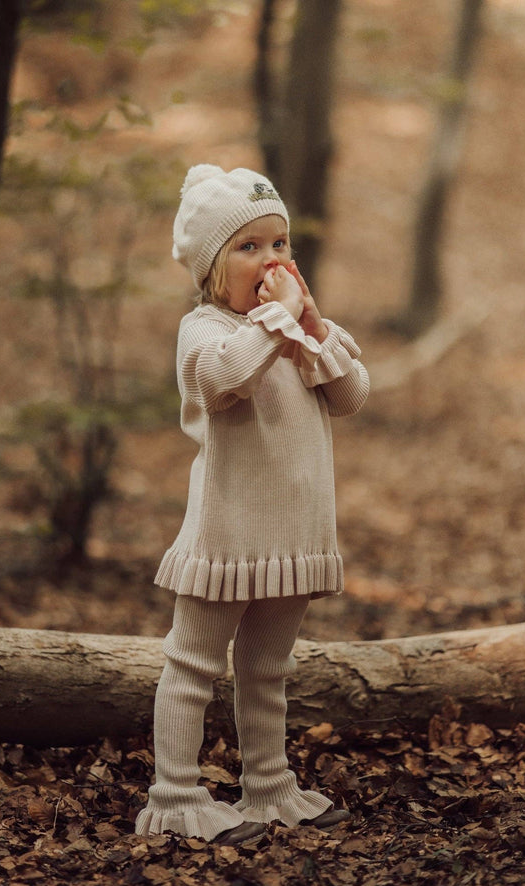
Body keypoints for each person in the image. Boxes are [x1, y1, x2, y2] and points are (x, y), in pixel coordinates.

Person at [134, 164, 370, 846]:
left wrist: (315, 328)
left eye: (280, 245)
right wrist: (281, 319)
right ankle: (174, 796)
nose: (271, 262)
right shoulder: (206, 330)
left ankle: (268, 786)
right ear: (212, 269)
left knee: (268, 668)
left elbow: (352, 397)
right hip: (228, 533)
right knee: (192, 667)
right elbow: (230, 377)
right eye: (249, 247)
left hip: (292, 536)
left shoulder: (294, 332)